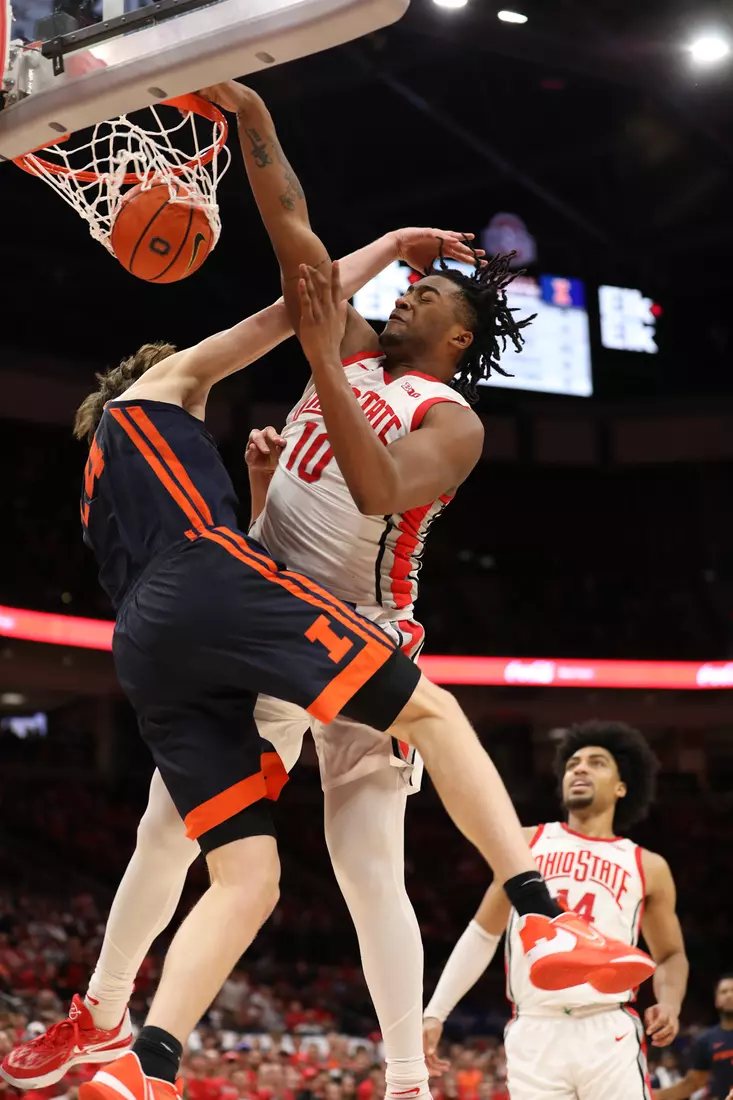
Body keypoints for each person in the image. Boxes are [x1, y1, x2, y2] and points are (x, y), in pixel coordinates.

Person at [3, 133, 655, 1100]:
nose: (403, 298)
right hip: (261, 607)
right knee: (165, 828)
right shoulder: (345, 347)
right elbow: (297, 247)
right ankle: (105, 1025)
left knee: (364, 866)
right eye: (400, 288)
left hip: (359, 619)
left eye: (425, 297)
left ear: (457, 337)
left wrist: (321, 354)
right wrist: (368, 224)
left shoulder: (447, 414)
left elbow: (375, 485)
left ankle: (403, 1076)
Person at [423, 720, 688, 1100]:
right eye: (572, 763)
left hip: (607, 1027)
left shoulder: (648, 865)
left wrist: (671, 1003)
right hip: (535, 1029)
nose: (579, 768)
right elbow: (483, 933)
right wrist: (436, 1011)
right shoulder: (525, 841)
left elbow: (671, 954)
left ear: (621, 787)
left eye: (596, 763)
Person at [655, 975, 733, 1100]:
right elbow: (693, 1082)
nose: (729, 995)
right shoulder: (706, 1040)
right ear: (717, 1001)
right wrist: (651, 1095)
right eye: (724, 992)